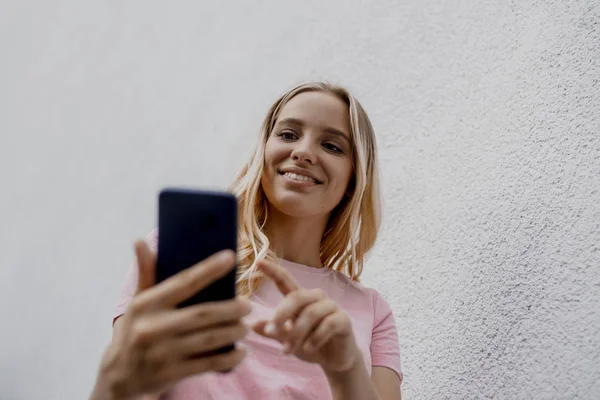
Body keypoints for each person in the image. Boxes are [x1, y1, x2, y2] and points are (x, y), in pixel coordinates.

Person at [90, 82, 403, 400]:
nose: (303, 152)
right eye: (288, 134)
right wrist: (118, 380)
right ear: (263, 151)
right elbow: (123, 387)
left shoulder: (373, 313)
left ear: (353, 179)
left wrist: (346, 370)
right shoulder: (181, 258)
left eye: (333, 146)